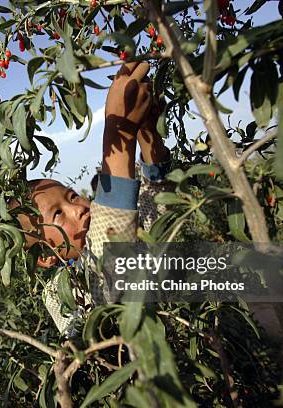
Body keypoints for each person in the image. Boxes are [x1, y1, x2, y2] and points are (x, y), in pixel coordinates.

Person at [15, 61, 171, 336]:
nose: (78, 209)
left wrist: (147, 132)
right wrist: (119, 133)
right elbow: (106, 275)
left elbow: (156, 209)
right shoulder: (59, 295)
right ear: (45, 257)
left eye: (72, 196)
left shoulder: (130, 236)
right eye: (57, 214)